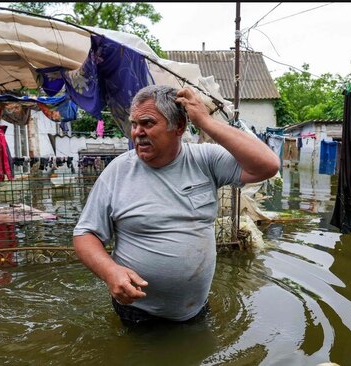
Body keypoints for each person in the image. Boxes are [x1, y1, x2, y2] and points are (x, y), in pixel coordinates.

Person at [73, 85, 279, 325]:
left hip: (195, 309)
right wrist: (111, 273)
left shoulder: (205, 160)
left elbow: (268, 165)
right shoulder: (117, 172)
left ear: (178, 127)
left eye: (148, 123)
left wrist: (204, 121)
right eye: (134, 123)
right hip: (138, 311)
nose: (137, 132)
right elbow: (85, 233)